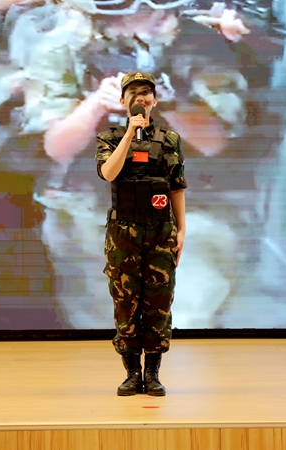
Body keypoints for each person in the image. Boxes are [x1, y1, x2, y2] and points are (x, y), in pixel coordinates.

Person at [95, 72, 187, 396]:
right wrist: (129, 134)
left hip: (161, 231)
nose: (140, 98)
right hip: (123, 234)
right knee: (125, 304)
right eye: (133, 93)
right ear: (123, 101)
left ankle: (153, 373)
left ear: (155, 100)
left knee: (159, 304)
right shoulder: (109, 138)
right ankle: (132, 374)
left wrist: (182, 230)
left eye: (146, 92)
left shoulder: (169, 139)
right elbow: (109, 173)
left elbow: (176, 187)